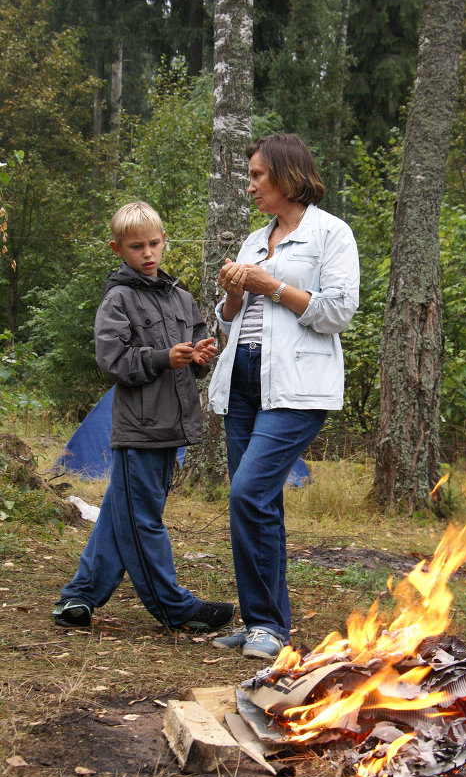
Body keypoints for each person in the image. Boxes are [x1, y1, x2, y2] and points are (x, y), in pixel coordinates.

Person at [208, 134, 360, 659]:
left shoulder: (331, 234)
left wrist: (270, 285)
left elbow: (339, 312)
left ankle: (269, 625)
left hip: (297, 387)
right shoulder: (255, 238)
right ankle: (261, 625)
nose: (249, 185)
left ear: (288, 175)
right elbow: (227, 321)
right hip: (244, 378)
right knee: (257, 502)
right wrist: (234, 290)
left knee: (247, 493)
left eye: (256, 176)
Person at [52, 201, 236, 632]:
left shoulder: (182, 298)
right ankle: (175, 606)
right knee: (142, 521)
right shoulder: (118, 299)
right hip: (139, 428)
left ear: (164, 241)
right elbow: (112, 360)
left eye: (154, 244)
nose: (148, 253)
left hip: (174, 425)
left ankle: (77, 598)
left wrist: (199, 355)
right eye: (137, 247)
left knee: (123, 512)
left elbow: (197, 354)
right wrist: (161, 358)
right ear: (119, 249)